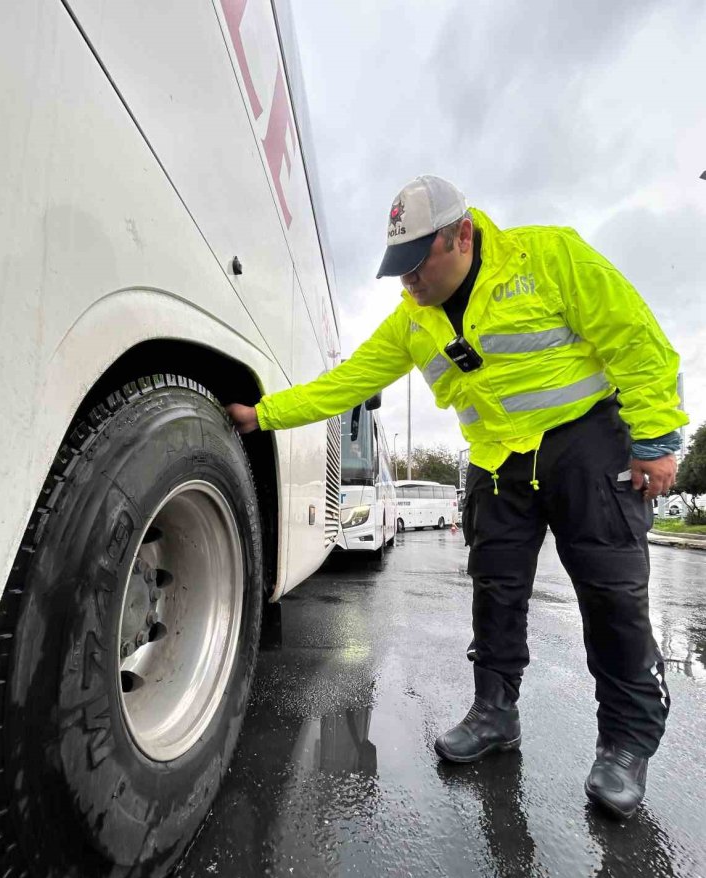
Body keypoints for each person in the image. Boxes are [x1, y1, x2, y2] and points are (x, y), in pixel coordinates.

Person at [227, 175, 688, 820]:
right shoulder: (411, 322)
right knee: (495, 592)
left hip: (585, 444)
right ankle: (495, 713)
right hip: (498, 460)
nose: (410, 283)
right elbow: (345, 383)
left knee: (611, 595)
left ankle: (625, 744)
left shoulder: (548, 257)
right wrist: (264, 414)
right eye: (400, 271)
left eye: (420, 264)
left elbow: (634, 338)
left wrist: (654, 437)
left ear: (462, 235)